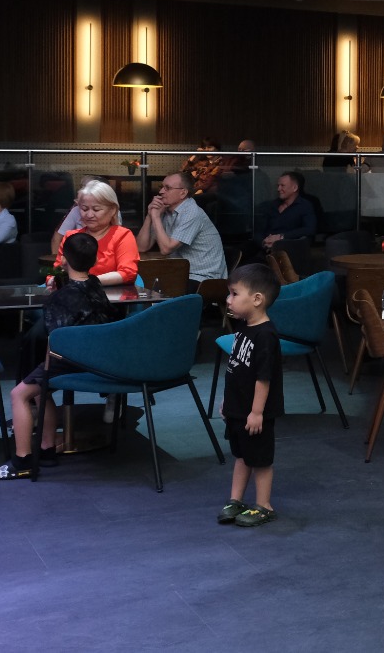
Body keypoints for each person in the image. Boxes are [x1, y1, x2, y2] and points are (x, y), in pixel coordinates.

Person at [0, 232, 120, 480]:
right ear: (94, 260)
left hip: (72, 360)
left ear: (64, 259)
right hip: (100, 357)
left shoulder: (60, 298)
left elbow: (56, 337)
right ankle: (46, 448)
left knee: (19, 394)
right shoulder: (95, 286)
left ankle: (22, 460)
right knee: (41, 391)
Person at [218, 263, 285, 527]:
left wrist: (257, 412)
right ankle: (236, 499)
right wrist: (229, 402)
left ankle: (264, 505)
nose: (228, 300)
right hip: (238, 409)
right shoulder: (244, 327)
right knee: (242, 455)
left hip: (255, 413)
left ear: (257, 299)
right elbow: (236, 369)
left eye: (234, 294)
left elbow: (263, 378)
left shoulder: (266, 335)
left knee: (260, 459)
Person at [138, 171, 228, 291]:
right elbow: (141, 247)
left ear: (183, 193)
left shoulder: (191, 212)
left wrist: (156, 217)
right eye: (161, 187)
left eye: (167, 188)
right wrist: (150, 216)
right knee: (142, 284)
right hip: (181, 274)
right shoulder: (166, 212)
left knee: (153, 289)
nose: (161, 192)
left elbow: (166, 249)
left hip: (204, 279)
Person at [53, 180, 138, 286]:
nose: (89, 215)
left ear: (112, 210)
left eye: (96, 210)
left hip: (110, 294)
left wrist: (87, 282)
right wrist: (54, 280)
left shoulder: (122, 235)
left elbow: (128, 273)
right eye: (84, 209)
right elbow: (57, 271)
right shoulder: (71, 236)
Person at [253, 171, 316, 255]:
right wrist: (264, 243)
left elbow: (309, 229)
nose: (278, 189)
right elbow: (259, 231)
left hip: (288, 251)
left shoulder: (305, 206)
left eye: (282, 185)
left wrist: (280, 237)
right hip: (265, 250)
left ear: (294, 188)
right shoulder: (271, 206)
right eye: (278, 186)